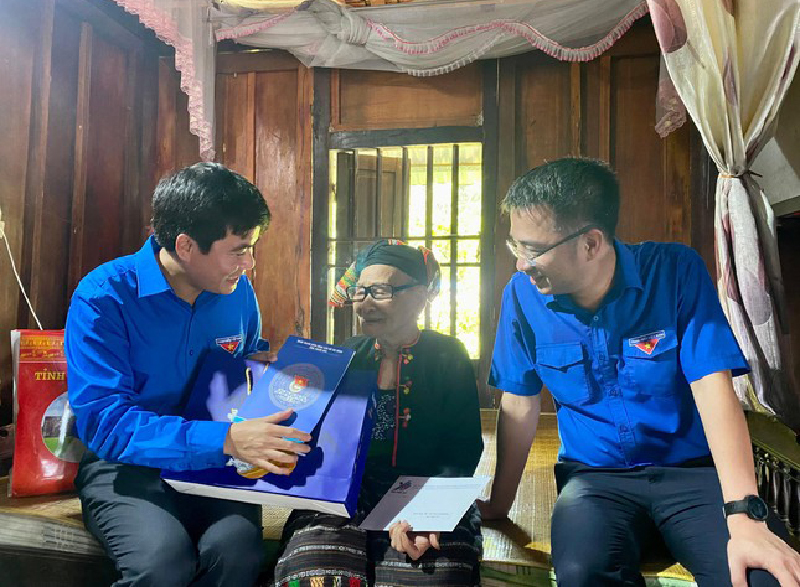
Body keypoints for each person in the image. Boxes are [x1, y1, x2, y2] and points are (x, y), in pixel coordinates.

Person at [480, 158, 800, 587]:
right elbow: (520, 404)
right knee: (583, 575)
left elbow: (712, 388)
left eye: (532, 250)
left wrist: (745, 515)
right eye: (515, 246)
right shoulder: (522, 296)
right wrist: (498, 506)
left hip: (692, 474)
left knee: (764, 578)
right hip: (594, 482)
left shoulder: (675, 271)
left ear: (591, 244)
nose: (521, 264)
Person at [65, 163, 312, 587]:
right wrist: (225, 440)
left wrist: (269, 381)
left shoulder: (238, 293)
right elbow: (104, 424)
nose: (249, 263)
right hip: (125, 465)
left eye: (252, 248)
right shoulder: (103, 297)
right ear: (185, 245)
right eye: (238, 250)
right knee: (162, 563)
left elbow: (246, 366)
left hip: (216, 463)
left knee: (236, 549)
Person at [272, 239, 484, 587]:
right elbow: (321, 436)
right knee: (318, 570)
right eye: (360, 291)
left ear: (420, 296)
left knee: (435, 571)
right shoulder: (347, 353)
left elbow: (462, 450)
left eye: (381, 291)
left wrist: (426, 512)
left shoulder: (449, 356)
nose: (365, 302)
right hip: (348, 489)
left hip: (425, 486)